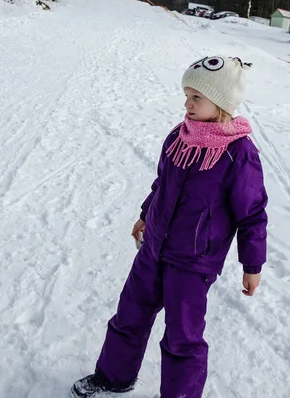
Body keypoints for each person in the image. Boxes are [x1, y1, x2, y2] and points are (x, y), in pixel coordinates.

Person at [71, 55, 268, 398]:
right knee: (128, 316)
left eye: (196, 97)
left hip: (193, 263)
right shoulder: (179, 136)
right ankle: (113, 377)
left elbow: (252, 213)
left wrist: (252, 265)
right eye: (186, 94)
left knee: (182, 339)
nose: (187, 103)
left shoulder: (239, 152)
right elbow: (162, 183)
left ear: (220, 102)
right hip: (153, 249)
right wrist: (146, 214)